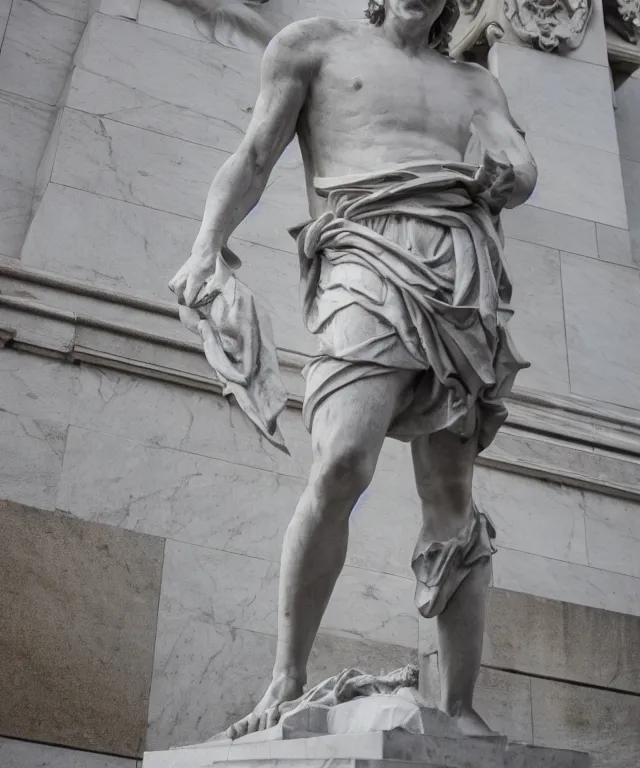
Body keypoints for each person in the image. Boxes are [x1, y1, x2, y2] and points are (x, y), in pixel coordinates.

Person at [169, 0, 537, 740]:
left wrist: (514, 174)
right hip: (363, 251)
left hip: (460, 268)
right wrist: (207, 244)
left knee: (452, 493)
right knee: (340, 461)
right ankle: (286, 675)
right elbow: (253, 155)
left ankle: (461, 706)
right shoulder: (312, 45)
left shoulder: (474, 83)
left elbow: (516, 163)